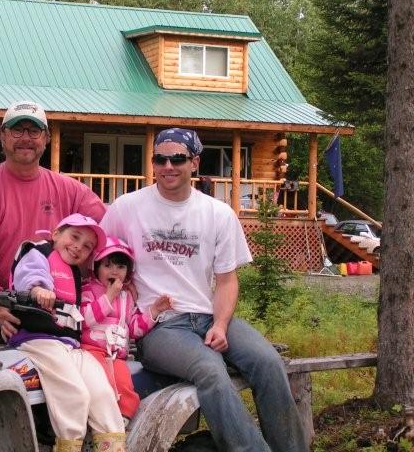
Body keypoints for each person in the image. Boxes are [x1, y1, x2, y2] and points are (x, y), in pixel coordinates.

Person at [100, 128, 308, 452]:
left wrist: (222, 325)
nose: (168, 166)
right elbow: (99, 259)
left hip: (206, 316)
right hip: (160, 327)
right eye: (160, 158)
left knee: (268, 362)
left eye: (178, 159)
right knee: (210, 370)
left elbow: (227, 281)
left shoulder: (219, 213)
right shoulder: (126, 208)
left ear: (194, 162)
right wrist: (121, 293)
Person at [0, 100, 106, 343]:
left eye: (34, 131)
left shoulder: (71, 191)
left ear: (46, 138)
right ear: (2, 135)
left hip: (43, 306)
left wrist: (122, 276)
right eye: (17, 130)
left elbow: (112, 228)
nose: (26, 138)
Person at [10, 213, 126, 452]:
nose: (77, 247)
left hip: (68, 344)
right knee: (75, 394)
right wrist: (39, 289)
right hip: (38, 339)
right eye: (74, 237)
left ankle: (112, 447)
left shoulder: (74, 272)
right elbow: (31, 274)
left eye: (87, 246)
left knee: (103, 392)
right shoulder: (38, 252)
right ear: (56, 234)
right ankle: (69, 445)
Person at [80, 236, 173, 422]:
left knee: (125, 385)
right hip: (92, 351)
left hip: (117, 356)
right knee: (101, 386)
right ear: (96, 267)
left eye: (121, 267)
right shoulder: (88, 290)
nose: (114, 271)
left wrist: (154, 311)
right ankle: (99, 420)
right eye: (108, 265)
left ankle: (122, 420)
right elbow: (84, 320)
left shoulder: (127, 297)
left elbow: (133, 328)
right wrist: (108, 296)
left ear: (128, 272)